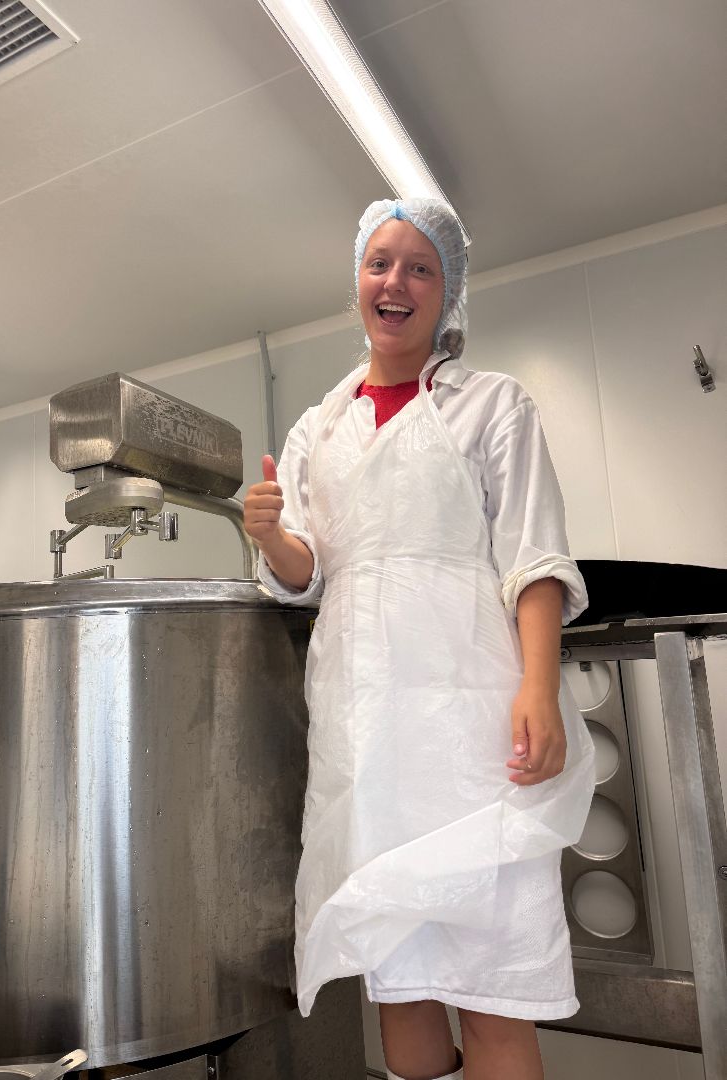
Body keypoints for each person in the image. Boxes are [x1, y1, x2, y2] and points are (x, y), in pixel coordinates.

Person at [243, 198, 595, 1080]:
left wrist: (538, 688)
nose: (394, 281)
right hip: (363, 729)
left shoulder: (492, 406)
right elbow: (311, 573)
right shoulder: (320, 425)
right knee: (399, 979)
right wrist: (271, 535)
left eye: (419, 267)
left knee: (492, 981)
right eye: (379, 263)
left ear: (447, 295)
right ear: (357, 282)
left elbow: (535, 557)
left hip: (472, 722)